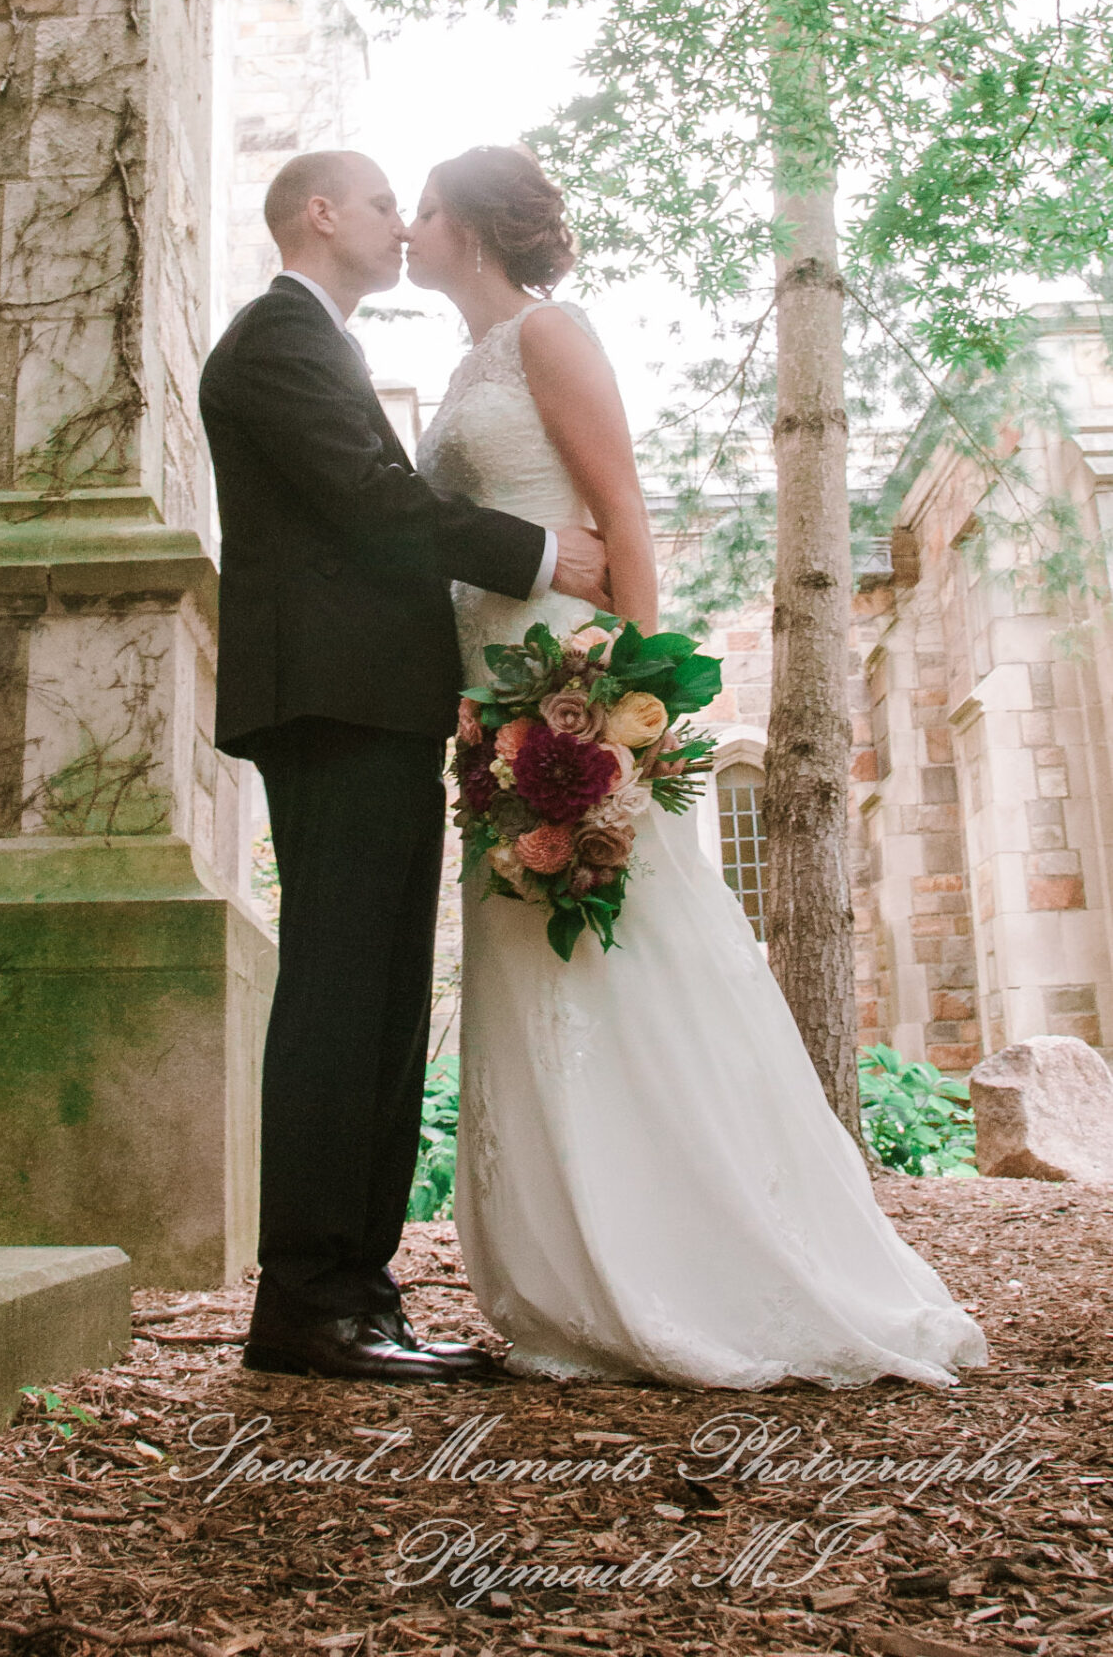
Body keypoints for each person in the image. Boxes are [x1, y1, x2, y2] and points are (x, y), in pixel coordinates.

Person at [410, 143, 987, 1388]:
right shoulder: (459, 364)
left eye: (421, 209)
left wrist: (628, 690)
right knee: (529, 962)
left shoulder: (547, 338)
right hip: (486, 692)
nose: (406, 228)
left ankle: (693, 1260)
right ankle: (566, 1272)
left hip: (566, 683)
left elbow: (621, 506)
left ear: (465, 226)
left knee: (625, 953)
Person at [199, 149, 610, 1382]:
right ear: (322, 214)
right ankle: (312, 1297)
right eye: (384, 203)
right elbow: (378, 506)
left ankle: (354, 1290)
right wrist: (544, 553)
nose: (397, 225)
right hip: (330, 706)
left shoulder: (307, 338)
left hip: (368, 706)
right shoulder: (277, 337)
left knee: (375, 993)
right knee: (341, 989)